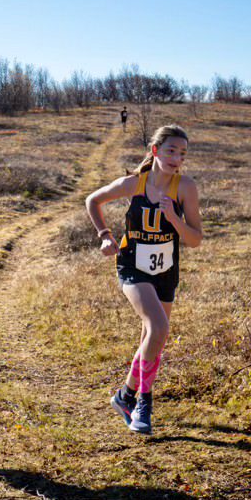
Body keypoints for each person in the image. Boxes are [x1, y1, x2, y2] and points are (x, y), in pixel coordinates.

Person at [85, 124, 203, 434]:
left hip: (166, 270)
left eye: (182, 153)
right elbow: (92, 201)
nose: (176, 158)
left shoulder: (186, 188)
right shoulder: (133, 184)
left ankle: (135, 400)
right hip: (132, 265)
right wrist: (105, 236)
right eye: (171, 151)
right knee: (159, 328)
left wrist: (175, 218)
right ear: (155, 152)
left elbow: (195, 240)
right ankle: (133, 397)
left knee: (154, 338)